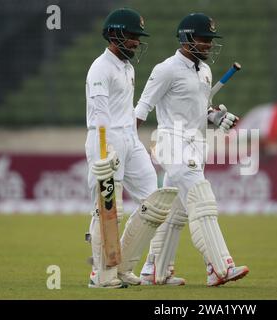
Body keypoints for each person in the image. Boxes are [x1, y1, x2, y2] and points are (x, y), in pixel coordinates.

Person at [135, 13, 249, 286]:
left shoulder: (205, 71)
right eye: (204, 39)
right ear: (186, 38)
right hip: (171, 143)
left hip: (196, 145)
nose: (209, 44)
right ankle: (219, 267)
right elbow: (142, 109)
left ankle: (154, 271)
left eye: (211, 39)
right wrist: (125, 144)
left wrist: (216, 117)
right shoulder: (166, 69)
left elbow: (200, 109)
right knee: (201, 198)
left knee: (175, 212)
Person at [84, 8, 178, 289]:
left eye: (138, 36)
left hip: (128, 137)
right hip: (105, 139)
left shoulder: (127, 67)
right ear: (115, 35)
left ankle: (122, 267)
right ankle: (100, 274)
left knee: (155, 201)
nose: (137, 41)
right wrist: (104, 151)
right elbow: (100, 114)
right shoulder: (100, 68)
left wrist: (132, 140)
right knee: (109, 208)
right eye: (133, 36)